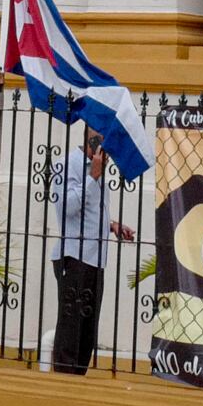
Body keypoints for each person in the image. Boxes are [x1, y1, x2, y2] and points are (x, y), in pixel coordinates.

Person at [48, 132, 133, 375]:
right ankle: (64, 383)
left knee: (87, 329)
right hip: (74, 257)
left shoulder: (99, 170)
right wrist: (92, 177)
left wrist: (112, 225)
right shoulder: (68, 164)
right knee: (71, 328)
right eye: (100, 140)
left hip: (96, 258)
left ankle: (78, 380)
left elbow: (89, 213)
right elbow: (66, 207)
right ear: (90, 140)